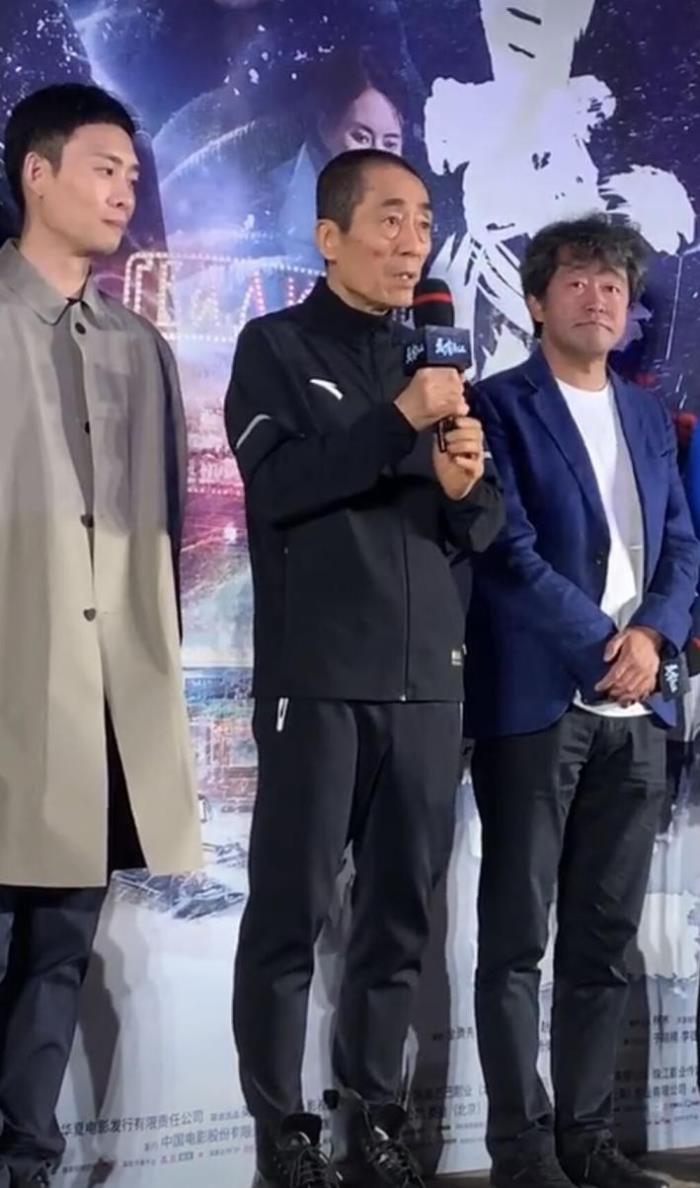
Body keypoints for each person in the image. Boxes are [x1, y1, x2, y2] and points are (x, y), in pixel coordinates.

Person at [224, 147, 503, 1188]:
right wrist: (398, 420)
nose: (410, 242)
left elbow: (479, 525)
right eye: (389, 219)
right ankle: (282, 1131)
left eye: (423, 222)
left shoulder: (436, 367)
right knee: (289, 915)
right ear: (329, 236)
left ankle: (376, 1120)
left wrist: (465, 486)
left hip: (429, 683)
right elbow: (280, 487)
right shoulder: (275, 346)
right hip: (318, 679)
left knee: (398, 920)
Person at [465, 214, 700, 1188]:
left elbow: (682, 545)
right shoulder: (495, 405)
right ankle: (521, 1153)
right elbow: (505, 550)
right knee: (516, 943)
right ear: (534, 300)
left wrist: (653, 640)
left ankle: (588, 1145)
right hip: (538, 704)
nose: (598, 297)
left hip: (638, 715)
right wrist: (606, 643)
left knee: (603, 944)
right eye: (576, 280)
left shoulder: (646, 414)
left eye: (613, 284)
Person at [0, 83, 202, 1186]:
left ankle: (27, 1160)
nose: (125, 190)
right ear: (37, 174)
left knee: (58, 949)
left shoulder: (138, 347)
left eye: (133, 173)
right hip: (9, 679)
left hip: (94, 700)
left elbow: (157, 536)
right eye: (103, 168)